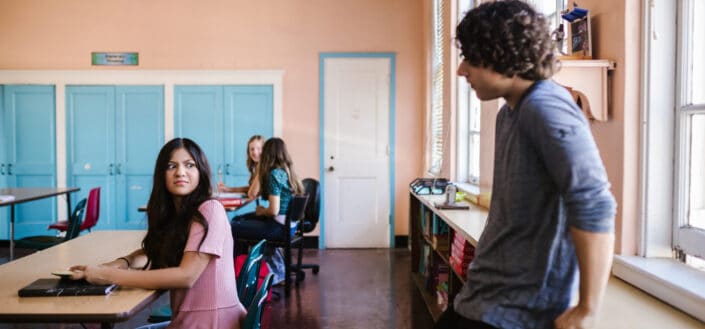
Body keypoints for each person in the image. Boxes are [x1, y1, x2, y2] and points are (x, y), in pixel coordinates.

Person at [436, 1, 617, 329]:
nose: (462, 70)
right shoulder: (510, 111)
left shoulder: (545, 107)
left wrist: (587, 310)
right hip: (485, 300)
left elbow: (595, 203)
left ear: (503, 55)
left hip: (517, 314)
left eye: (471, 58)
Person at [70, 138, 246, 329]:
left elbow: (185, 276)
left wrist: (107, 275)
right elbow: (153, 253)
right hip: (187, 322)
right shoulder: (177, 215)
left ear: (200, 172)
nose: (180, 172)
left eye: (189, 165)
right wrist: (123, 263)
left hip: (211, 323)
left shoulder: (210, 210)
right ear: (161, 174)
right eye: (171, 166)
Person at [231, 137, 304, 285]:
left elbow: (273, 210)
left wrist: (261, 211)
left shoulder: (274, 174)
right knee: (241, 222)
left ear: (268, 154)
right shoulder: (286, 171)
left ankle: (239, 276)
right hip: (290, 226)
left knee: (233, 227)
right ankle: (244, 272)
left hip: (278, 228)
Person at [218, 135, 264, 200]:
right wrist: (228, 189)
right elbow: (251, 188)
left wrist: (229, 190)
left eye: (259, 148)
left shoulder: (264, 167)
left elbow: (253, 193)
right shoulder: (256, 167)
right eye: (252, 149)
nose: (255, 152)